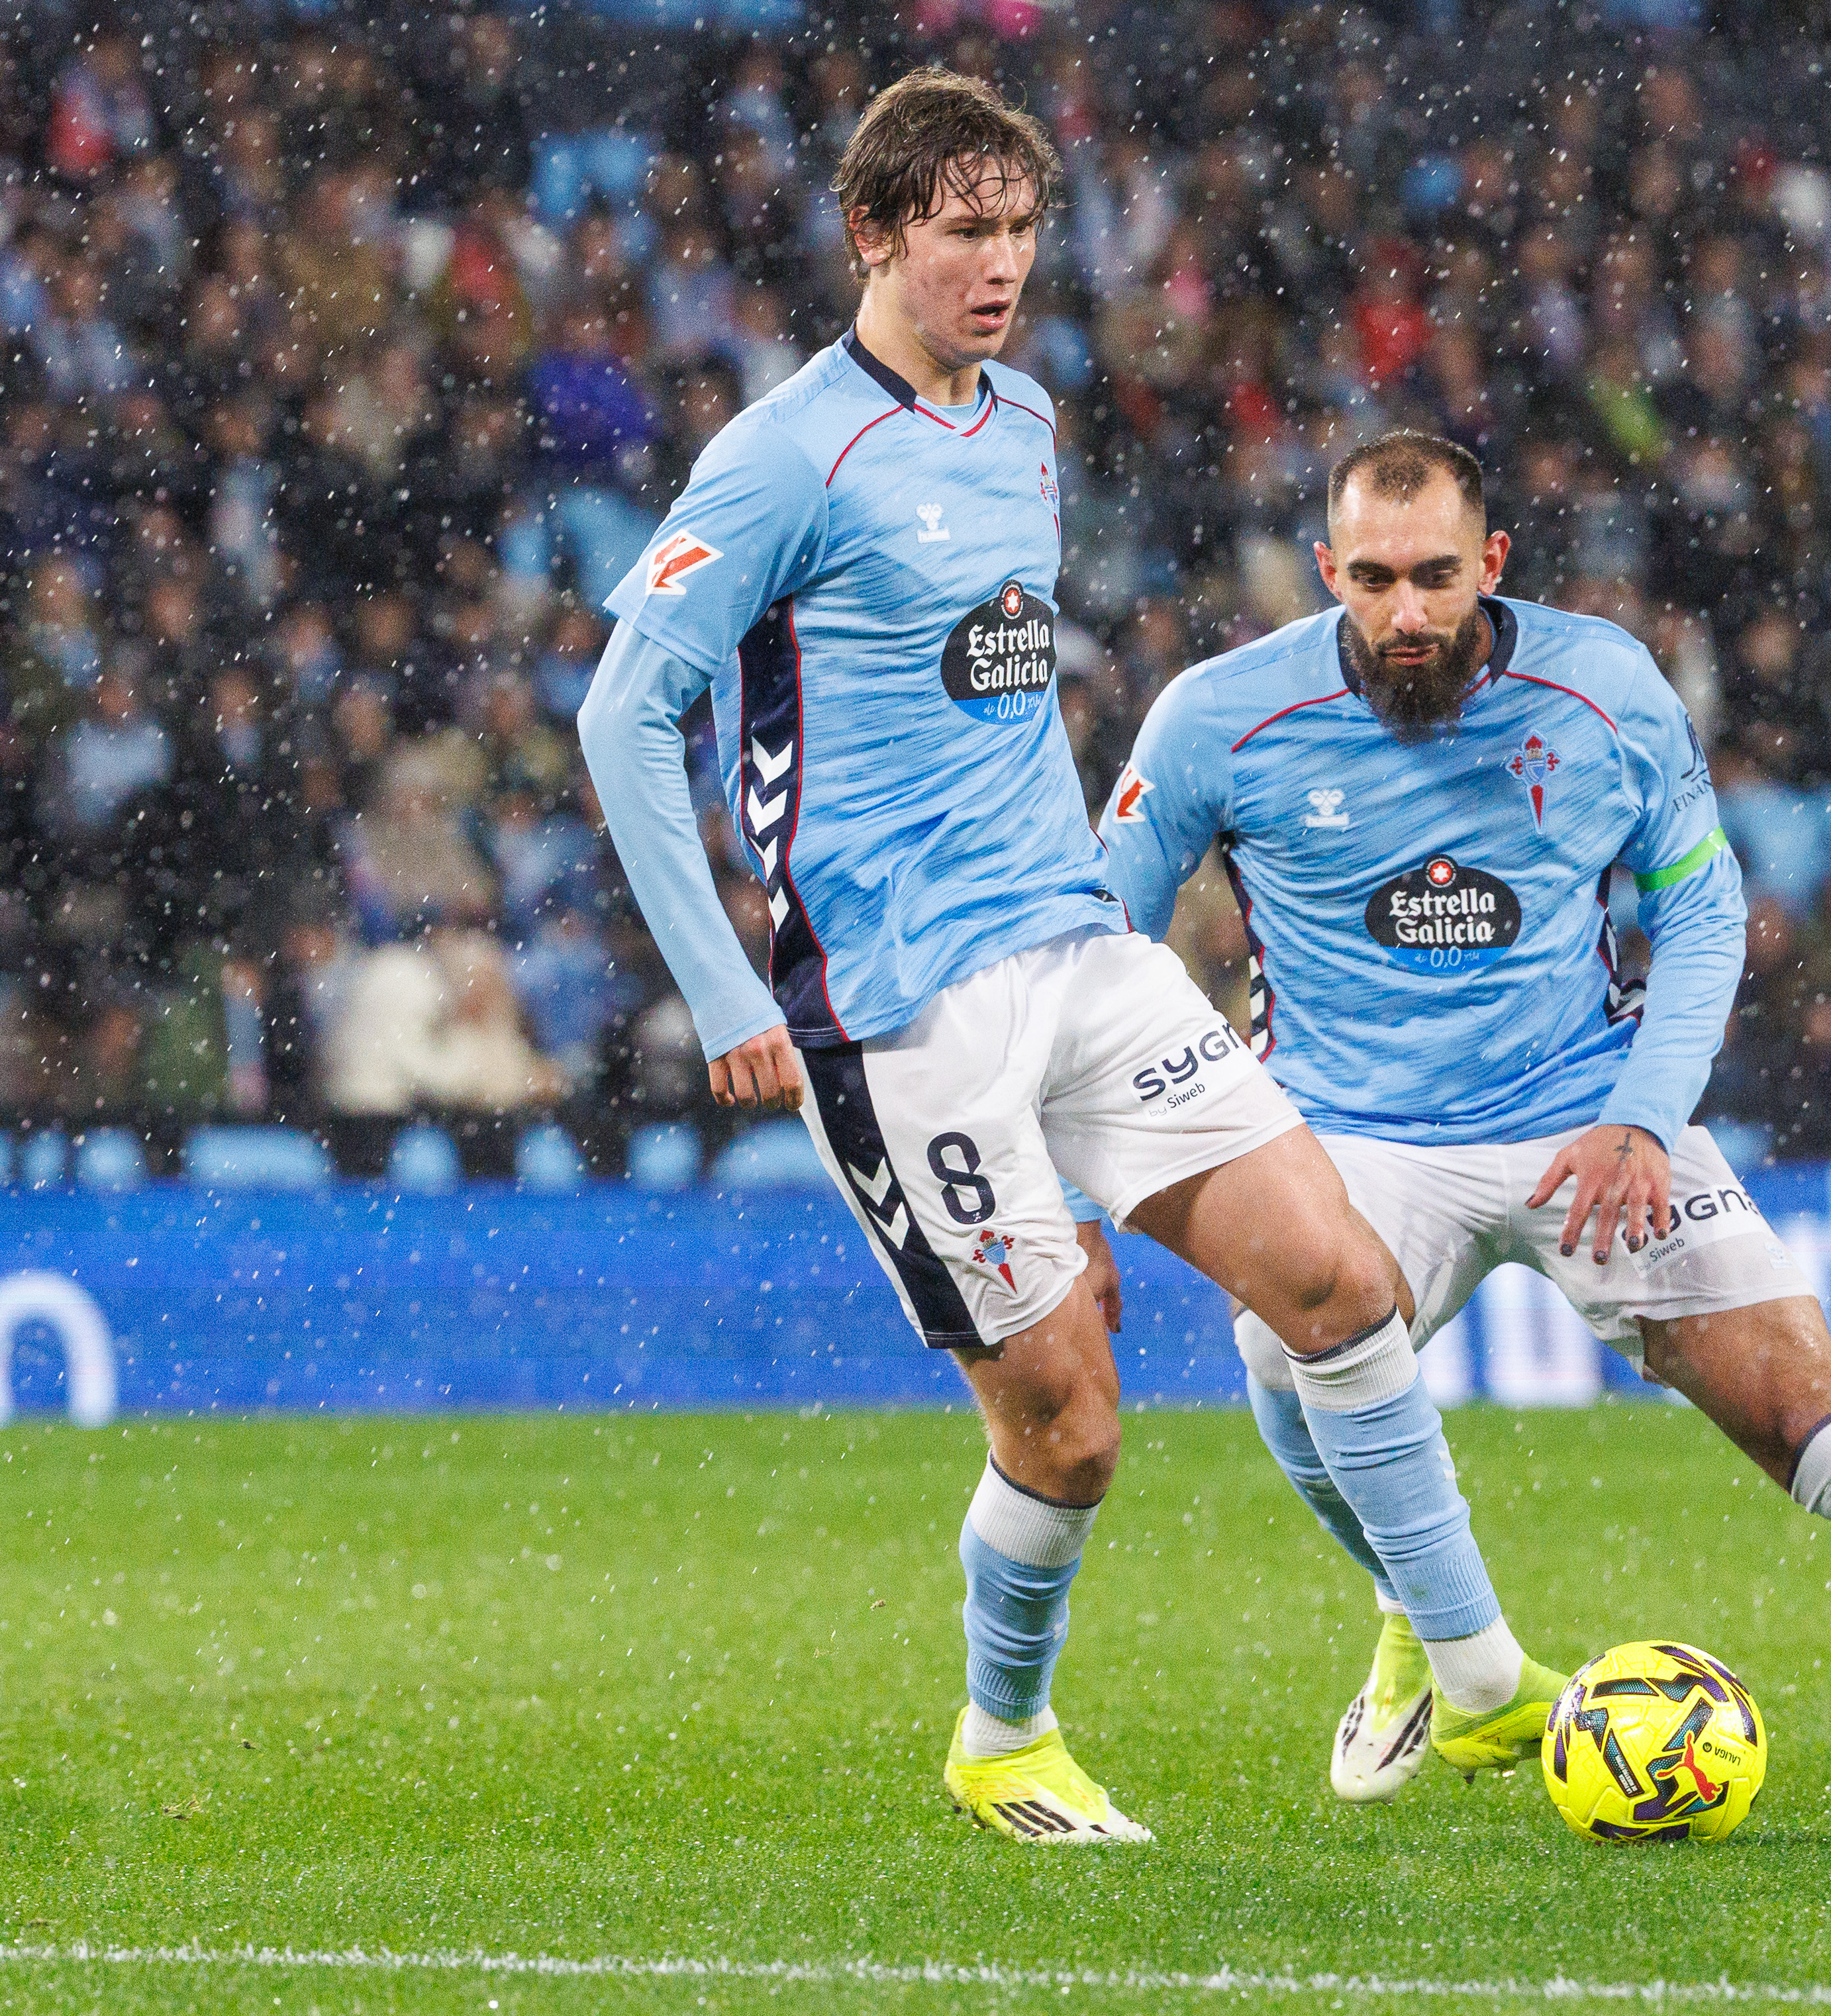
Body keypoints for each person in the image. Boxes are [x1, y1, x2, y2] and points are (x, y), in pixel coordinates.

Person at [576, 75, 1550, 1848]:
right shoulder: (790, 453)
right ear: (875, 233)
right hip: (902, 1006)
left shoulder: (1021, 417)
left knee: (1339, 1282)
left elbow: (992, 696)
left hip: (1076, 953)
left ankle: (1477, 1677)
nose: (1001, 264)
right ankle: (1004, 1734)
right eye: (963, 230)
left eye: (1020, 229)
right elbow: (626, 710)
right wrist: (730, 991)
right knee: (1073, 1430)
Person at [1097, 432, 1831, 1813]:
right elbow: (1103, 934)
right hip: (1360, 1137)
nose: (1408, 614)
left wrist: (1644, 1113)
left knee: (1825, 1429)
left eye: (1439, 577)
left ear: (1493, 563)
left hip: (1595, 1116)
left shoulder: (1604, 688)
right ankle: (1443, 1631)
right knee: (1290, 1341)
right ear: (1329, 570)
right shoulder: (1217, 717)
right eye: (1377, 580)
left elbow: (1699, 908)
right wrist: (1183, 1121)